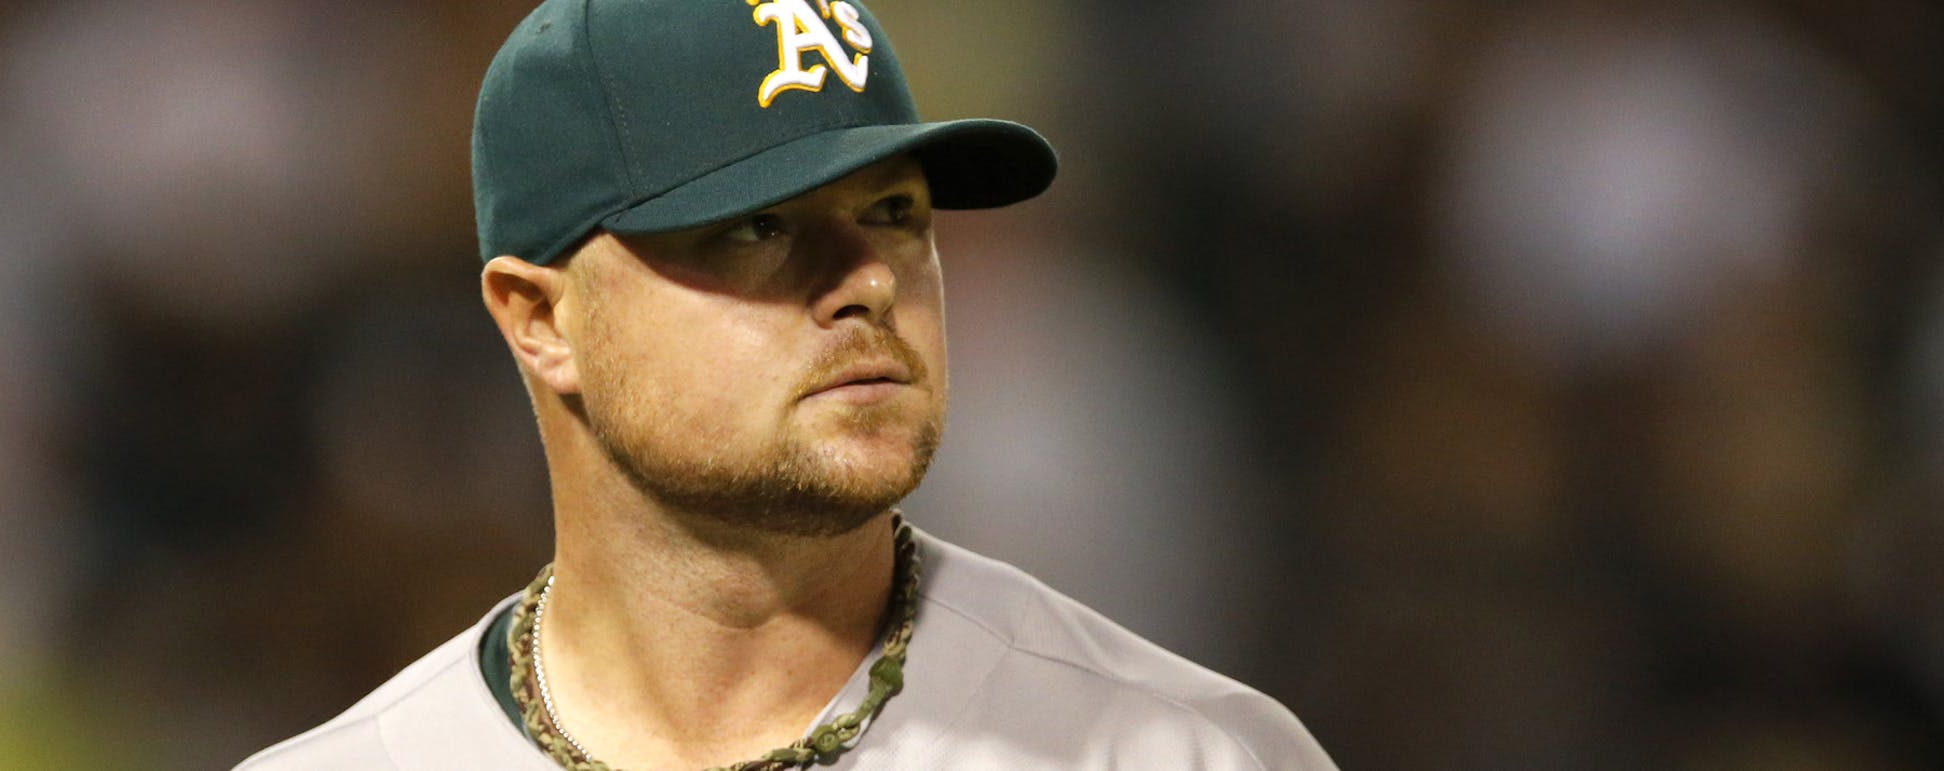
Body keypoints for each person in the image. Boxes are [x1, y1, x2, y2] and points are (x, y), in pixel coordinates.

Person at [236, 0, 1334, 768]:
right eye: (760, 227)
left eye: (897, 214)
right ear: (541, 320)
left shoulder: (1180, 754)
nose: (866, 281)